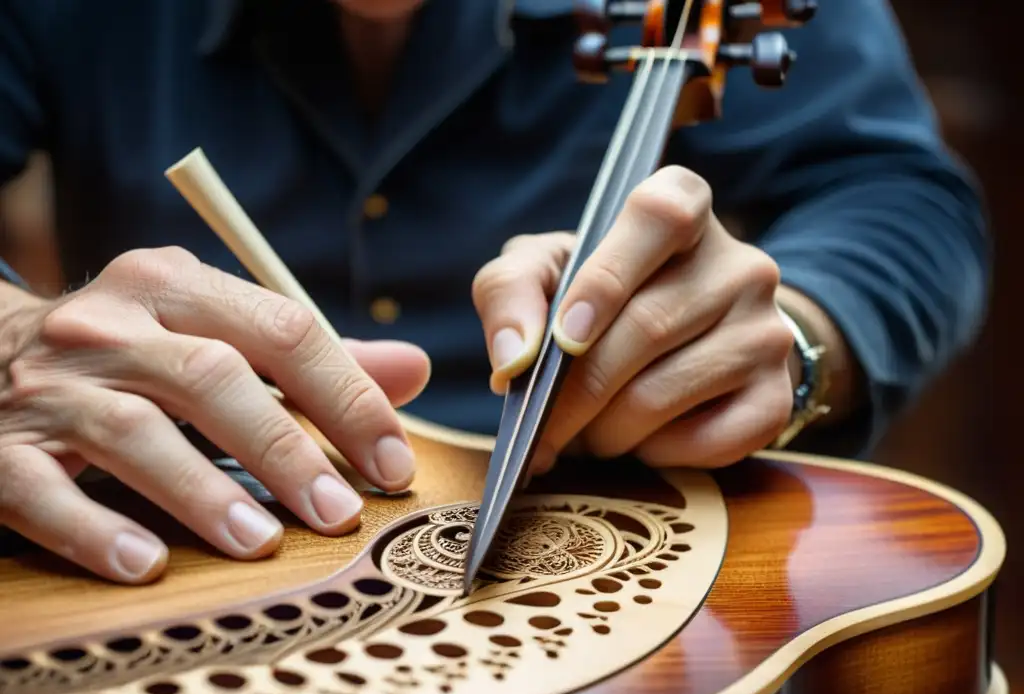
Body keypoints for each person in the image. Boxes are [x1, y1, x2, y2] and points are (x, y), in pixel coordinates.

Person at [0, 2, 987, 580]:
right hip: (188, 551)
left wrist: (797, 340)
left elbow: (894, 196)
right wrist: (14, 338)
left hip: (608, 549)